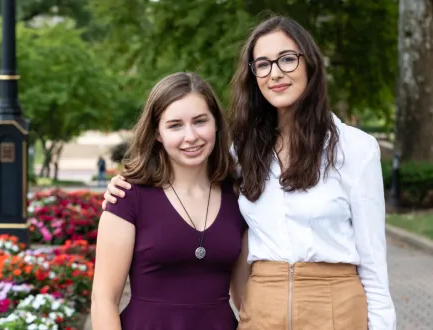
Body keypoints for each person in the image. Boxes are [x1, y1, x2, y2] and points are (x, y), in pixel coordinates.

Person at [101, 15, 396, 330]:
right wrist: (127, 183)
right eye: (263, 64)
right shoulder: (242, 151)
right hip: (262, 313)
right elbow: (190, 170)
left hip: (335, 310)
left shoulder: (355, 149)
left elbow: (374, 267)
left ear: (309, 63)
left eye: (287, 59)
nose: (276, 73)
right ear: (253, 75)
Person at [90, 72, 249, 330]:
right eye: (175, 125)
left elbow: (245, 300)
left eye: (200, 121)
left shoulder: (237, 198)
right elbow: (103, 300)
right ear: (158, 134)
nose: (191, 136)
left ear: (217, 123)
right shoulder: (128, 197)